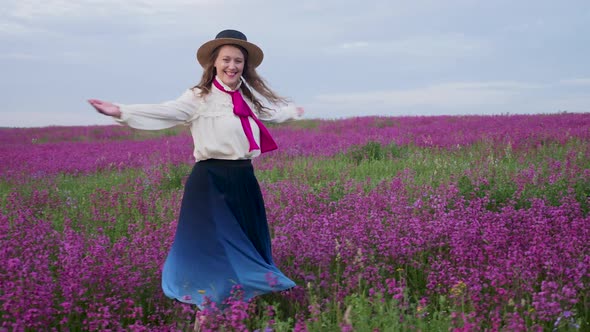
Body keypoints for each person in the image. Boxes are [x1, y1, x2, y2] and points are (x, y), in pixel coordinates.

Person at [88, 29, 303, 309]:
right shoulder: (198, 97)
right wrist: (122, 111)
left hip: (243, 180)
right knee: (213, 245)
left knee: (247, 241)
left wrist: (291, 112)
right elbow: (167, 111)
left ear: (244, 66)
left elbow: (270, 115)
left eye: (238, 61)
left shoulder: (248, 99)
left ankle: (241, 298)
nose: (232, 66)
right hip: (210, 181)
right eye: (226, 59)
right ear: (214, 62)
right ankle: (209, 300)